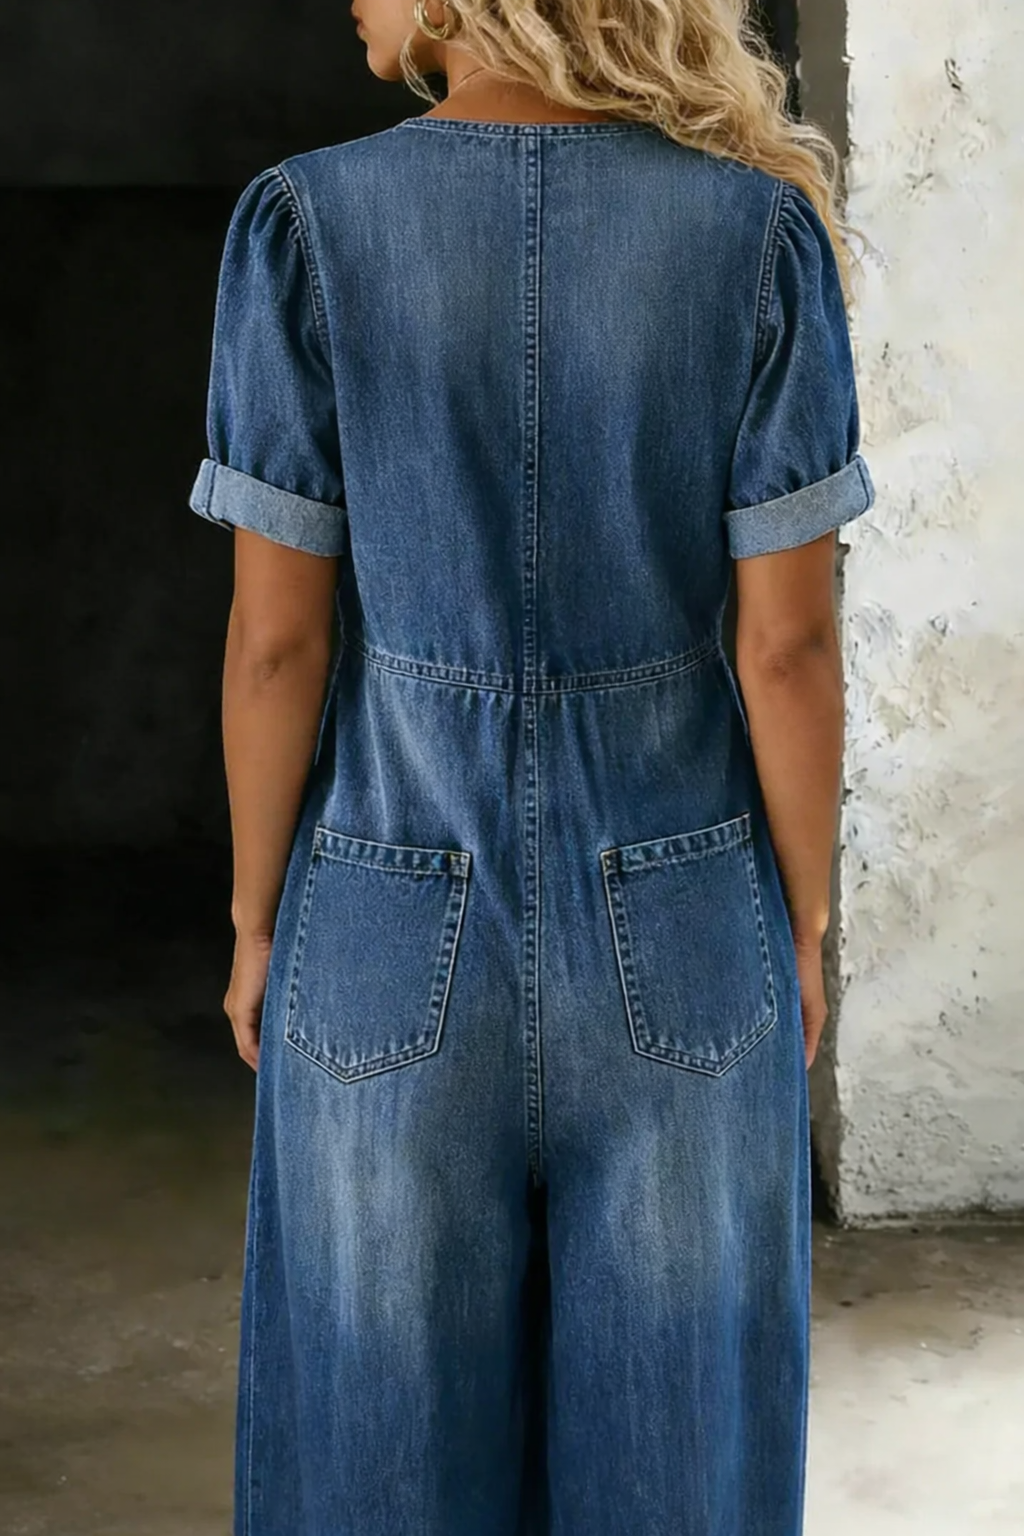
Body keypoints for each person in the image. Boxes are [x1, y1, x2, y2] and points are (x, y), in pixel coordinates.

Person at [187, 0, 875, 1528]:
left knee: (375, 1464)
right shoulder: (758, 234)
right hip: (686, 912)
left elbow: (277, 644)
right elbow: (788, 649)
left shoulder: (304, 226)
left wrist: (255, 921)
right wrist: (803, 922)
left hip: (385, 911)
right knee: (683, 1465)